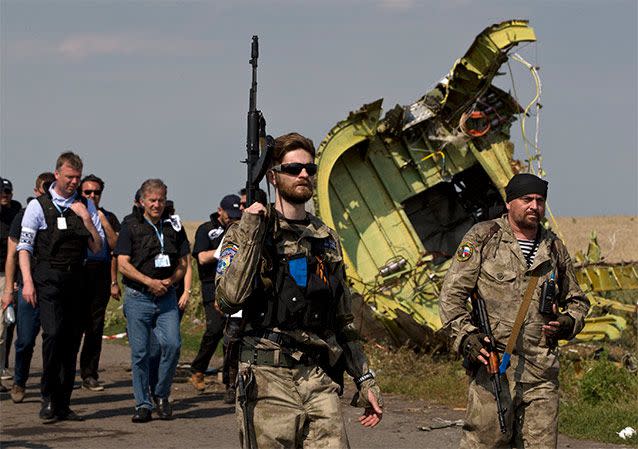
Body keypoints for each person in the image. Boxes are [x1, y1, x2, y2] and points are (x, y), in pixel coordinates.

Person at [216, 132, 383, 448]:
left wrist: (365, 379)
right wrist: (252, 231)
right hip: (267, 380)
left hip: (317, 376)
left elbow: (343, 319)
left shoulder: (325, 239)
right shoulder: (245, 232)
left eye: (309, 168)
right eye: (293, 169)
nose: (303, 174)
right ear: (273, 177)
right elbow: (228, 299)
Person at [439, 173, 590, 448]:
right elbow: (451, 297)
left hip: (541, 372)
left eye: (540, 200)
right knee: (485, 443)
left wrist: (568, 322)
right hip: (494, 367)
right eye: (527, 199)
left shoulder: (553, 248)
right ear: (509, 203)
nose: (534, 206)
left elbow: (578, 300)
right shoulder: (484, 238)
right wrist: (467, 337)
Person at [17, 152, 104, 423]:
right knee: (53, 335)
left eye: (77, 177)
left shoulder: (84, 205)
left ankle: (63, 403)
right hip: (47, 276)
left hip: (76, 278)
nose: (74, 182)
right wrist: (28, 282)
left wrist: (87, 219)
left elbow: (97, 247)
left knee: (70, 341)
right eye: (69, 177)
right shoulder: (38, 206)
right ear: (57, 175)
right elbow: (24, 247)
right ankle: (47, 397)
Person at [114, 179, 189, 423]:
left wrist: (170, 281)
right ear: (143, 201)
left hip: (166, 296)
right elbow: (122, 264)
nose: (157, 205)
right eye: (152, 200)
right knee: (140, 353)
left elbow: (184, 263)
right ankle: (142, 405)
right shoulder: (130, 225)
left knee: (173, 345)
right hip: (138, 297)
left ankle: (161, 394)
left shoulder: (174, 226)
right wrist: (149, 282)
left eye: (161, 200)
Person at [2, 172, 54, 403]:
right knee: (24, 340)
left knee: (53, 338)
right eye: (43, 189)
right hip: (28, 286)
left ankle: (50, 389)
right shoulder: (23, 215)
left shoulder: (64, 213)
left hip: (54, 287)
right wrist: (9, 290)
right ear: (36, 191)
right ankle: (20, 380)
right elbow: (12, 255)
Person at [189, 194, 242, 393]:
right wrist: (219, 252)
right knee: (215, 329)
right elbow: (201, 258)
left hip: (234, 285)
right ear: (220, 210)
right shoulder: (206, 230)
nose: (233, 219)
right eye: (230, 215)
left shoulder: (238, 228)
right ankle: (198, 369)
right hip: (212, 285)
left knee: (234, 332)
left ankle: (230, 379)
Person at [78, 174, 121, 392]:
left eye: (96, 192)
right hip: (77, 274)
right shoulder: (74, 212)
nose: (92, 196)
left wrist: (101, 219)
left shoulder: (109, 217)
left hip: (100, 275)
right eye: (88, 192)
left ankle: (89, 373)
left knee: (95, 328)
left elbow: (116, 247)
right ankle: (64, 373)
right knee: (73, 327)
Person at [1, 178, 22, 388]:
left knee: (6, 324)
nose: (5, 194)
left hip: (6, 274)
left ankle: (2, 365)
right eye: (2, 191)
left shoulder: (15, 211)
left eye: (8, 191)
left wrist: (13, 280)